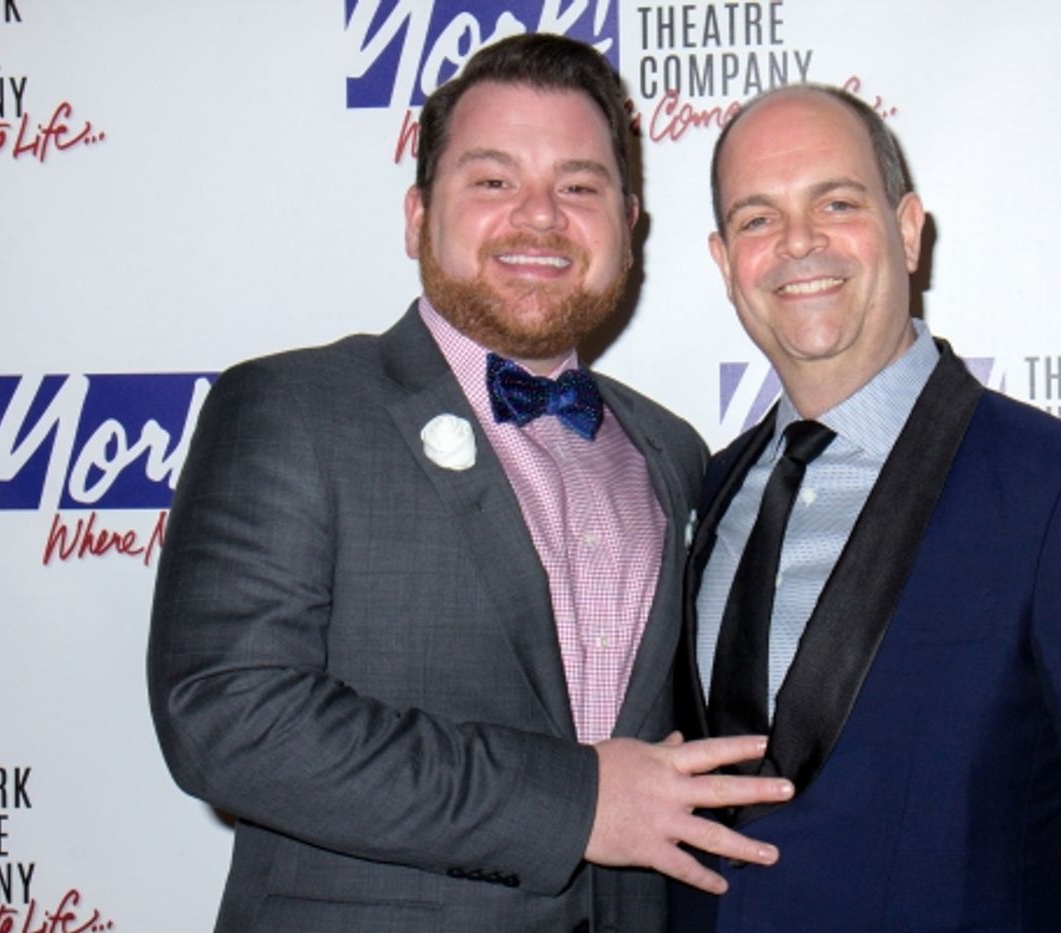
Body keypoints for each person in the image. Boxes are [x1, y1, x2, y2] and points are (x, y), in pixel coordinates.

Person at [147, 34, 793, 933]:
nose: (540, 217)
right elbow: (226, 716)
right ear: (418, 217)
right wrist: (575, 802)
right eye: (492, 182)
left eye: (579, 186)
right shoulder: (293, 408)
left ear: (628, 225)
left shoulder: (672, 451)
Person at [673, 84, 1061, 931]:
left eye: (838, 202)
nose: (798, 243)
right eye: (757, 219)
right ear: (722, 260)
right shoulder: (706, 489)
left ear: (909, 229)